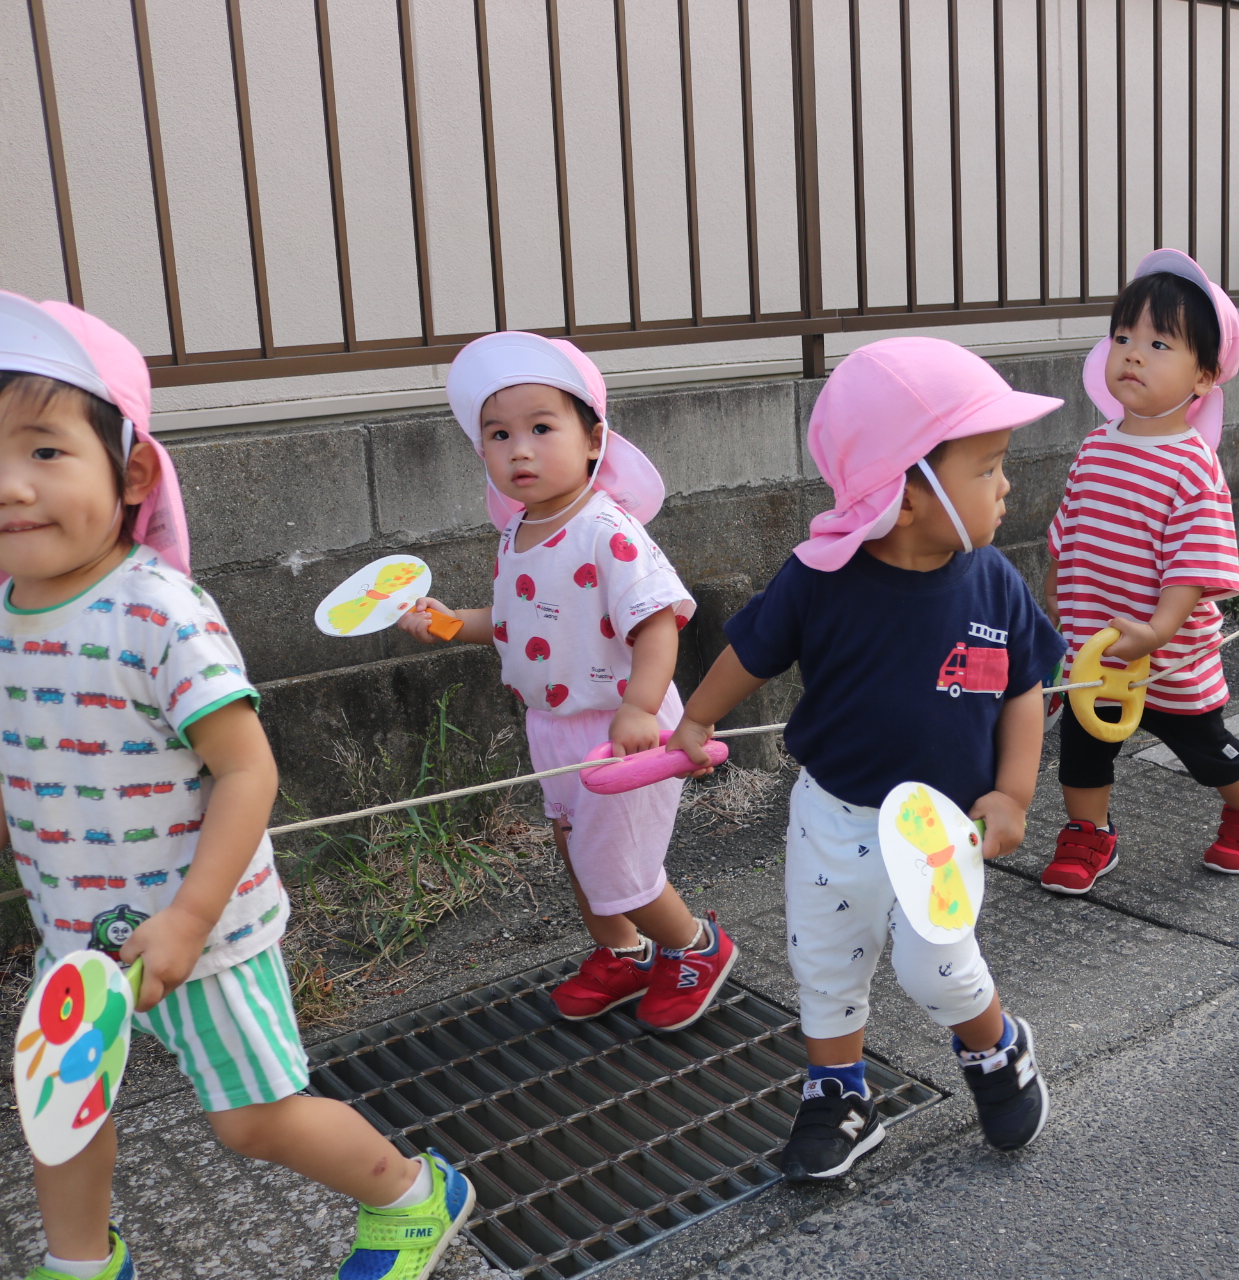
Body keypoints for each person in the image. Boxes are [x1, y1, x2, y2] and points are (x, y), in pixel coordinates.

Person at [0, 293, 471, 1280]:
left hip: (201, 931)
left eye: (44, 449)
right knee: (62, 1107)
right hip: (73, 928)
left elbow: (248, 768)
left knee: (253, 1119)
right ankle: (81, 1263)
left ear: (131, 472)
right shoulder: (5, 608)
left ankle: (412, 1196)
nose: (11, 484)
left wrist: (187, 919)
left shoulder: (159, 613)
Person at [663, 337, 1064, 1180]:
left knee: (938, 968)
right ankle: (838, 1091)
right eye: (988, 468)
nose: (1007, 485)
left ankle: (996, 1048)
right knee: (825, 961)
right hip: (832, 813)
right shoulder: (820, 577)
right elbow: (752, 653)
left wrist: (1013, 794)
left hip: (941, 831)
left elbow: (1025, 689)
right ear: (907, 494)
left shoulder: (993, 581)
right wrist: (696, 718)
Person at [399, 332, 735, 1030]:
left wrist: (641, 707)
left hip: (621, 728)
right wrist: (450, 623)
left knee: (620, 870)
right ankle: (626, 954)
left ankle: (696, 947)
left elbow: (657, 623)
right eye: (499, 434)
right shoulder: (518, 530)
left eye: (541, 428)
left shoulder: (608, 530)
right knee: (576, 852)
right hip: (551, 726)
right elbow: (515, 619)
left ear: (594, 441)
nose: (519, 450)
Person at [1039, 249, 1239, 893]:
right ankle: (1089, 832)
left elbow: (1193, 566)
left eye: (1158, 344)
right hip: (1095, 648)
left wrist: (1156, 629)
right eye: (1123, 337)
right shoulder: (1095, 447)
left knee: (1206, 751)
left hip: (1167, 653)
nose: (1133, 355)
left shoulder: (1192, 464)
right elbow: (1068, 534)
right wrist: (1055, 599)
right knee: (1083, 752)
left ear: (1203, 377)